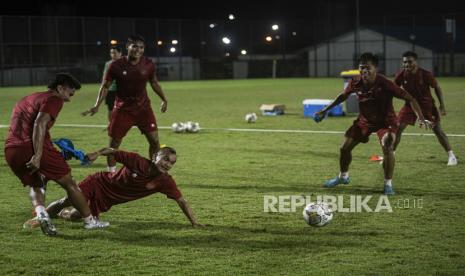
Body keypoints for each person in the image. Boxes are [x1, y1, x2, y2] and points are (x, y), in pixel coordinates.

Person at [4, 73, 109, 236]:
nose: (70, 97)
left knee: (37, 183)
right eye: (70, 92)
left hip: (11, 149)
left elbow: (28, 126)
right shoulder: (55, 99)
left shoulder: (29, 98)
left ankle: (41, 214)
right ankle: (90, 221)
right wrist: (38, 155)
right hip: (31, 148)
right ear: (60, 88)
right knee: (70, 183)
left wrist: (54, 153)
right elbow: (39, 123)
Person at [315, 53, 432, 195]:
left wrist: (420, 117)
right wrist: (325, 110)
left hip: (386, 122)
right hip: (364, 121)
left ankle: (388, 184)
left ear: (375, 68)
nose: (364, 71)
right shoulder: (355, 82)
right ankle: (343, 177)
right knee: (344, 148)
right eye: (361, 68)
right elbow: (343, 96)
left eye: (368, 68)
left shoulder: (385, 83)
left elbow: (411, 98)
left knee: (388, 145)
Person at [27, 147, 203, 228]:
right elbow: (112, 151)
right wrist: (96, 154)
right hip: (99, 183)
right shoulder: (137, 161)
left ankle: (62, 214)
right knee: (68, 199)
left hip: (107, 200)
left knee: (74, 216)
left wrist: (194, 222)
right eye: (165, 159)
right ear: (155, 156)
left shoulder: (165, 181)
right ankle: (39, 219)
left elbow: (181, 201)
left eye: (171, 163)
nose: (167, 164)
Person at [82, 35, 168, 174]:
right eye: (134, 46)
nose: (138, 50)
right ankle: (111, 174)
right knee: (114, 145)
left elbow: (154, 82)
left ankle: (154, 171)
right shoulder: (115, 66)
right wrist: (97, 105)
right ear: (127, 47)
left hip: (143, 109)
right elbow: (105, 86)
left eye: (141, 47)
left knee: (154, 140)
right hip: (123, 110)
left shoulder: (149, 64)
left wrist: (164, 99)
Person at [393, 51, 457, 166]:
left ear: (416, 62)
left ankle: (451, 156)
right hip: (409, 106)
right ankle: (390, 154)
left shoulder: (426, 74)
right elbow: (394, 88)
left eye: (410, 62)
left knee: (437, 131)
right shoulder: (401, 75)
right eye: (405, 62)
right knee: (397, 128)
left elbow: (436, 87)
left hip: (427, 106)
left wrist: (442, 105)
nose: (407, 64)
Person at [103, 45, 123, 126]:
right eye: (111, 53)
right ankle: (111, 124)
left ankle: (121, 123)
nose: (113, 55)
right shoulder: (108, 64)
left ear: (120, 53)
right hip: (110, 90)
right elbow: (104, 77)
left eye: (115, 53)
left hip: (122, 90)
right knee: (110, 108)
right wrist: (103, 88)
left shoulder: (124, 63)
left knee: (122, 109)